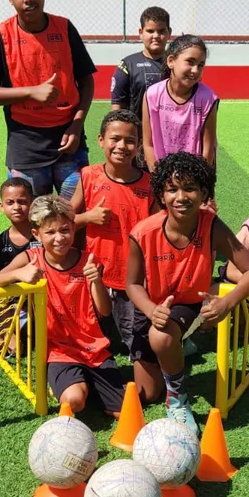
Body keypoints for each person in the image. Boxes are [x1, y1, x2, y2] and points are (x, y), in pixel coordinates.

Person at [126, 152, 249, 432]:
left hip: (189, 304)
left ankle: (177, 399)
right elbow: (133, 284)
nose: (181, 196)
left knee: (161, 336)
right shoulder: (142, 232)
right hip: (152, 305)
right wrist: (151, 310)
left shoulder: (211, 225)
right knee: (147, 392)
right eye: (172, 189)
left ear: (204, 193)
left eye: (190, 188)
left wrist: (226, 303)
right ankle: (180, 346)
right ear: (161, 194)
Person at [0, 196, 125, 417]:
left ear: (73, 228)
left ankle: (87, 384)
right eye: (50, 232)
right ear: (36, 234)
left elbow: (105, 311)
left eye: (65, 230)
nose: (59, 238)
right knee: (74, 401)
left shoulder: (88, 260)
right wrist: (18, 274)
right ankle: (69, 385)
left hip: (94, 347)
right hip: (59, 351)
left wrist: (96, 281)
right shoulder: (30, 259)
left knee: (122, 411)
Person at [0, 0, 97, 199]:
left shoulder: (65, 28)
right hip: (25, 146)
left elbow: (86, 80)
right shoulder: (0, 36)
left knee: (75, 216)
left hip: (69, 141)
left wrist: (78, 123)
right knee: (32, 221)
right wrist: (31, 92)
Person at [70, 109, 156, 357]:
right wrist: (88, 217)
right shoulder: (88, 177)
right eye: (115, 139)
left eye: (130, 140)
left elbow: (158, 234)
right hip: (95, 275)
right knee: (95, 336)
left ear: (139, 145)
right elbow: (63, 224)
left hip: (131, 279)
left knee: (134, 339)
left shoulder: (148, 185)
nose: (122, 146)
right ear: (100, 141)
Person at [141, 35, 219, 172]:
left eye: (200, 65)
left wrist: (199, 183)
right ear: (171, 61)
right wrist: (157, 177)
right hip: (162, 177)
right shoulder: (152, 95)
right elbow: (148, 144)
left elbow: (208, 150)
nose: (195, 70)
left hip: (195, 180)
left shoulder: (207, 98)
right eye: (190, 62)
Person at [112, 7, 172, 170]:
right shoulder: (128, 65)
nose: (156, 36)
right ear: (141, 32)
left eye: (161, 31)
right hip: (137, 139)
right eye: (150, 30)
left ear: (169, 33)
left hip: (169, 138)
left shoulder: (176, 64)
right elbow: (117, 107)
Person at [0, 177, 41, 271]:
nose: (16, 207)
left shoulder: (44, 235)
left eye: (22, 202)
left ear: (32, 203)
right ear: (2, 206)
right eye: (10, 202)